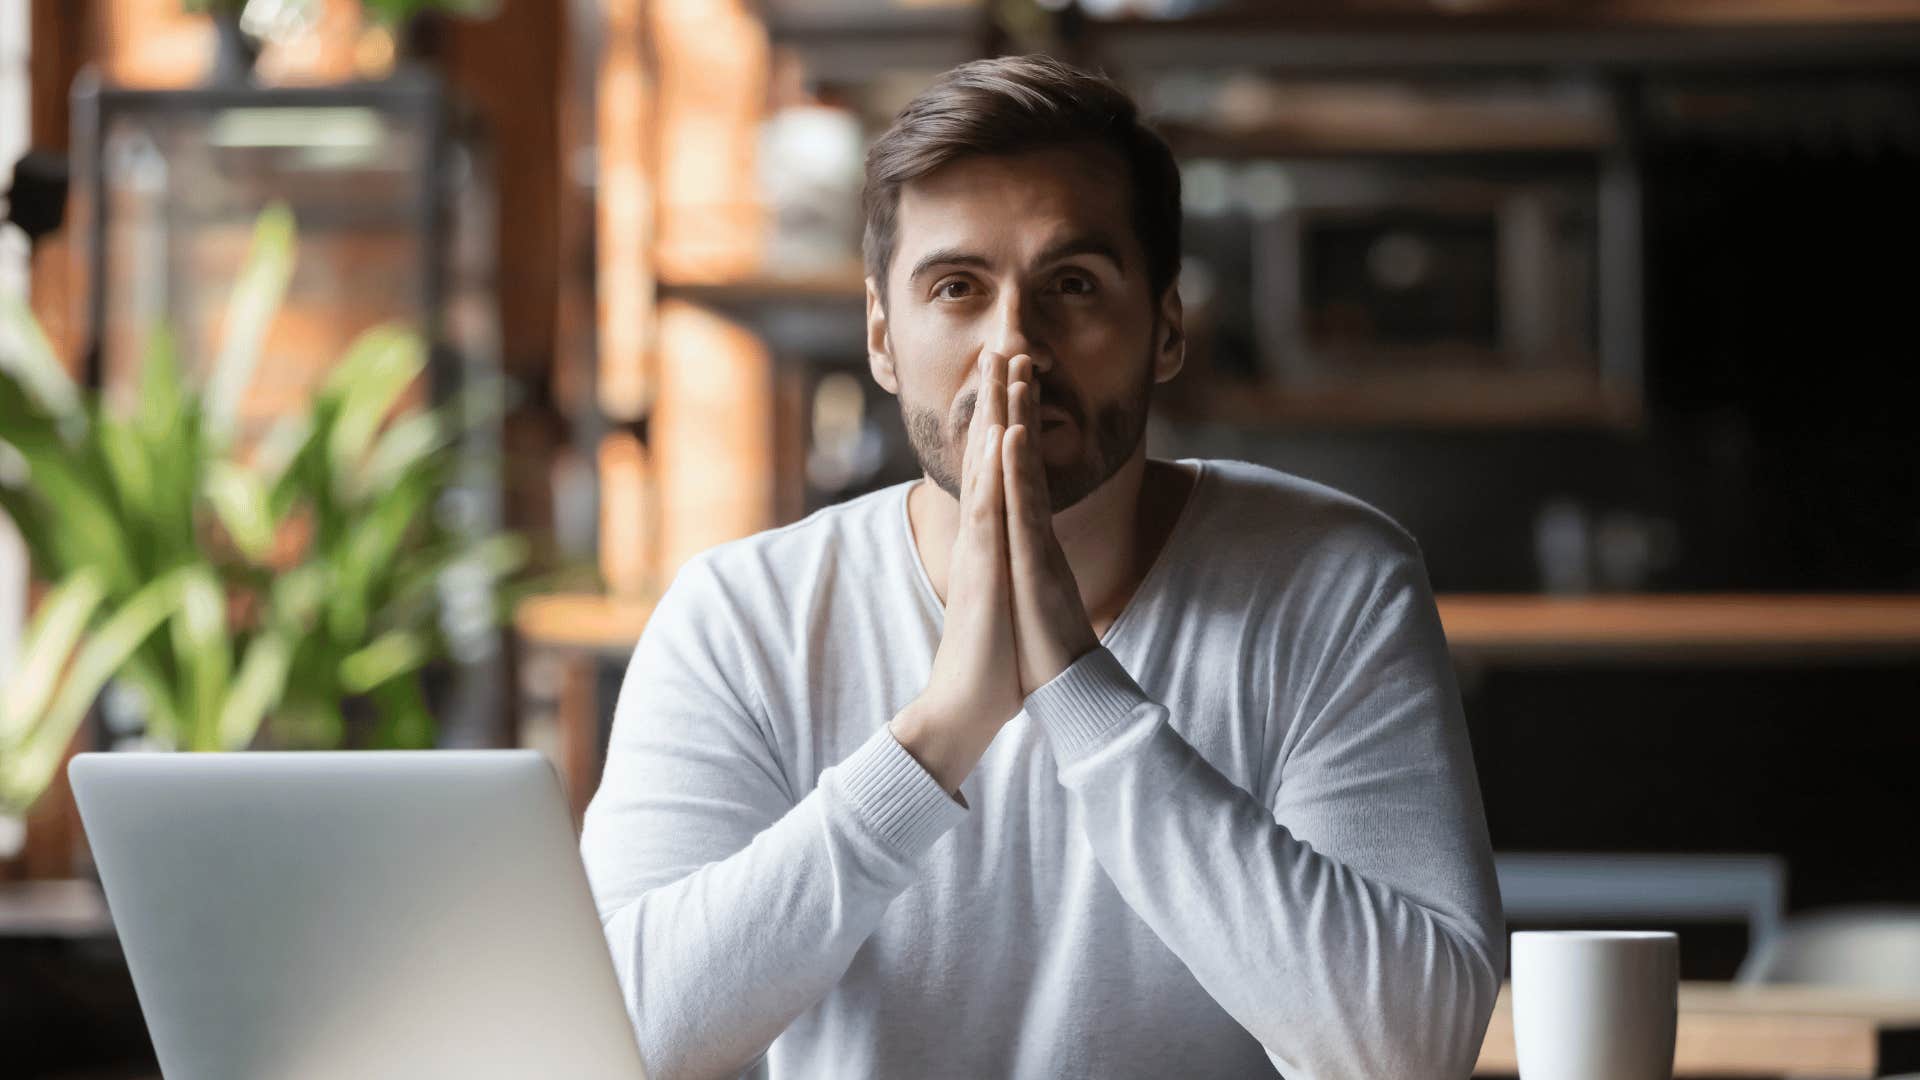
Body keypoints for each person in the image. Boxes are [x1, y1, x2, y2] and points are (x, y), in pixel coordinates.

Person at [580, 53, 1504, 1080]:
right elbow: (618, 1039)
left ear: (1165, 328)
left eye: (1072, 285)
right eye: (956, 288)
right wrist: (940, 733)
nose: (1013, 346)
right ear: (882, 337)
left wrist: (1078, 688)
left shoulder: (1335, 581)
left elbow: (1412, 1051)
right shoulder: (739, 618)